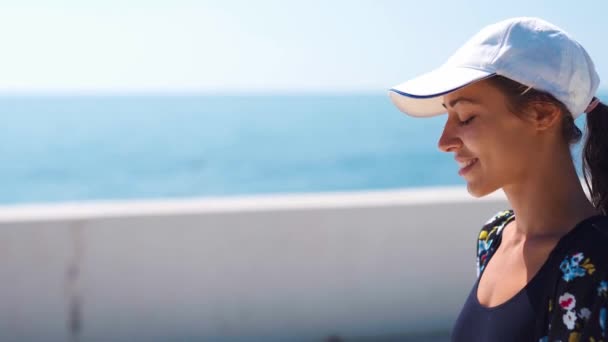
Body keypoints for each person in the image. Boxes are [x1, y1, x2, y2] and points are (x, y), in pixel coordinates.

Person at [387, 17, 608, 341]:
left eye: (465, 117)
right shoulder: (494, 237)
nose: (444, 141)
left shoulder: (598, 267)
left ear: (542, 114)